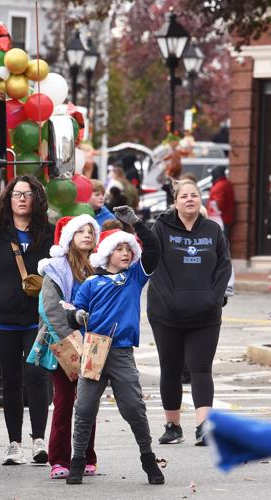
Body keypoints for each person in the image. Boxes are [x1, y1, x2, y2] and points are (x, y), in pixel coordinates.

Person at [66, 206, 165, 486]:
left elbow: (154, 251)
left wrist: (136, 223)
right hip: (94, 349)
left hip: (121, 351)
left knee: (134, 407)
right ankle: (77, 462)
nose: (125, 253)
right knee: (84, 409)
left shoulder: (134, 277)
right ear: (107, 252)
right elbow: (73, 312)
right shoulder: (90, 283)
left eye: (128, 248)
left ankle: (148, 457)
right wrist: (76, 315)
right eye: (119, 248)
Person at [0, 175, 54, 465]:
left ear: (37, 199)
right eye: (17, 194)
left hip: (38, 318)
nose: (21, 198)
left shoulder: (48, 233)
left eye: (28, 194)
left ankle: (39, 440)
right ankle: (14, 443)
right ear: (9, 199)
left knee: (36, 375)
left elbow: (61, 269)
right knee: (11, 380)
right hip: (4, 318)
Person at [147, 178, 231, 446]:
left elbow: (224, 267)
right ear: (176, 201)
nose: (190, 200)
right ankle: (173, 426)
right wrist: (169, 299)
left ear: (200, 200)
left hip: (205, 315)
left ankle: (203, 426)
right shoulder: (161, 228)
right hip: (166, 314)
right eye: (184, 196)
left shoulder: (213, 230)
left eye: (194, 195)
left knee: (201, 368)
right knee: (170, 369)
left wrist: (214, 299)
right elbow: (155, 267)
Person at [36, 215, 100, 479]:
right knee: (64, 402)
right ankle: (59, 459)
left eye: (91, 231)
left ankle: (86, 456)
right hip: (64, 342)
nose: (87, 235)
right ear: (69, 237)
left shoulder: (101, 267)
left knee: (89, 403)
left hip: (96, 343)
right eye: (80, 231)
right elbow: (50, 309)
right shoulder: (55, 269)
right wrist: (72, 344)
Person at [208, 165, 235, 242]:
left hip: (220, 220)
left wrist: (212, 217)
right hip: (225, 219)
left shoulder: (219, 186)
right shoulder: (226, 183)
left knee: (219, 242)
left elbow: (218, 205)